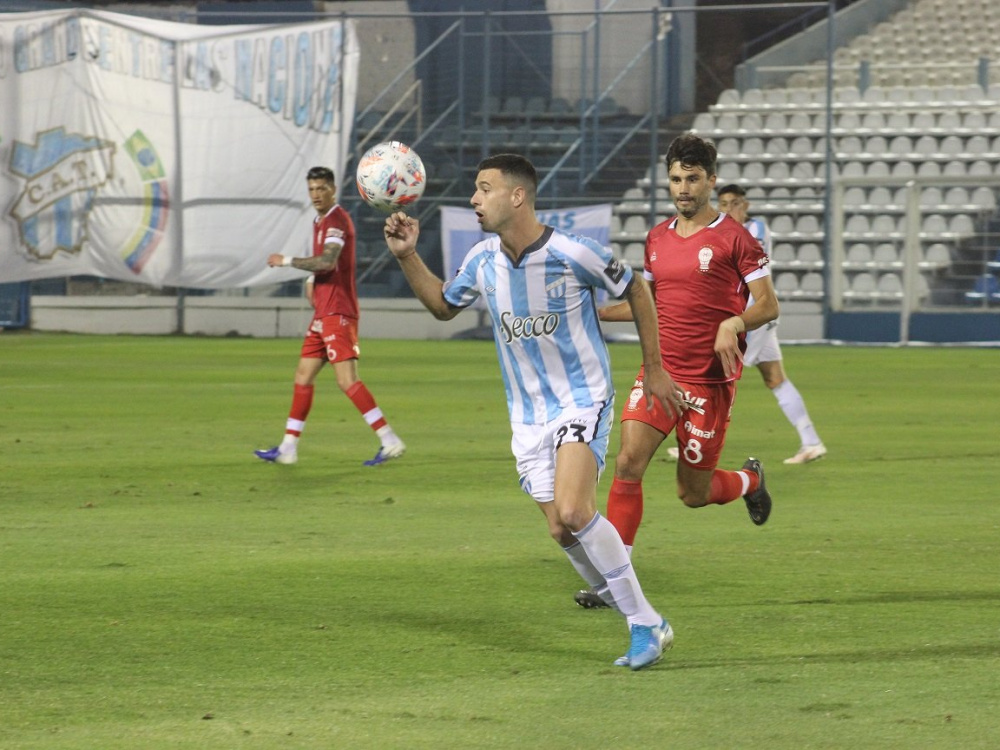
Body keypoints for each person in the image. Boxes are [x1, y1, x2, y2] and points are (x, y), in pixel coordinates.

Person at [382, 153, 683, 670]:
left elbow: (636, 288)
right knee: (561, 530)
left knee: (574, 510)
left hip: (582, 398)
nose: (474, 199)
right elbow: (443, 306)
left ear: (517, 196)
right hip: (526, 416)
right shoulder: (482, 260)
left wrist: (654, 368)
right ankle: (623, 596)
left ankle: (645, 621)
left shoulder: (573, 252)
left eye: (484, 188)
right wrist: (408, 255)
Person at [575, 133, 777, 609]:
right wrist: (596, 313)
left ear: (711, 180)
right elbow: (649, 302)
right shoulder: (657, 238)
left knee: (693, 494)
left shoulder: (736, 239)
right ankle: (617, 583)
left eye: (692, 179)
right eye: (675, 179)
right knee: (628, 464)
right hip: (661, 373)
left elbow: (767, 305)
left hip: (710, 383)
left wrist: (733, 322)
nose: (683, 188)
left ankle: (750, 481)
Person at [254, 166, 405, 467]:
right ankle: (288, 448)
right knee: (303, 376)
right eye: (312, 189)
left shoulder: (337, 219)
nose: (316, 194)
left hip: (338, 311)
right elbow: (326, 266)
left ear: (333, 190)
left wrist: (286, 261)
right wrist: (313, 281)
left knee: (347, 380)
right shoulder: (319, 221)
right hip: (323, 312)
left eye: (322, 188)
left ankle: (390, 440)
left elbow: (328, 261)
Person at [714, 183, 826, 465]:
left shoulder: (756, 230)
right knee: (774, 378)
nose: (729, 209)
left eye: (734, 203)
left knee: (716, 376)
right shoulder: (722, 231)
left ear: (745, 205)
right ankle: (811, 441)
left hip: (753, 316)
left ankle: (699, 443)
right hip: (751, 317)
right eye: (724, 204)